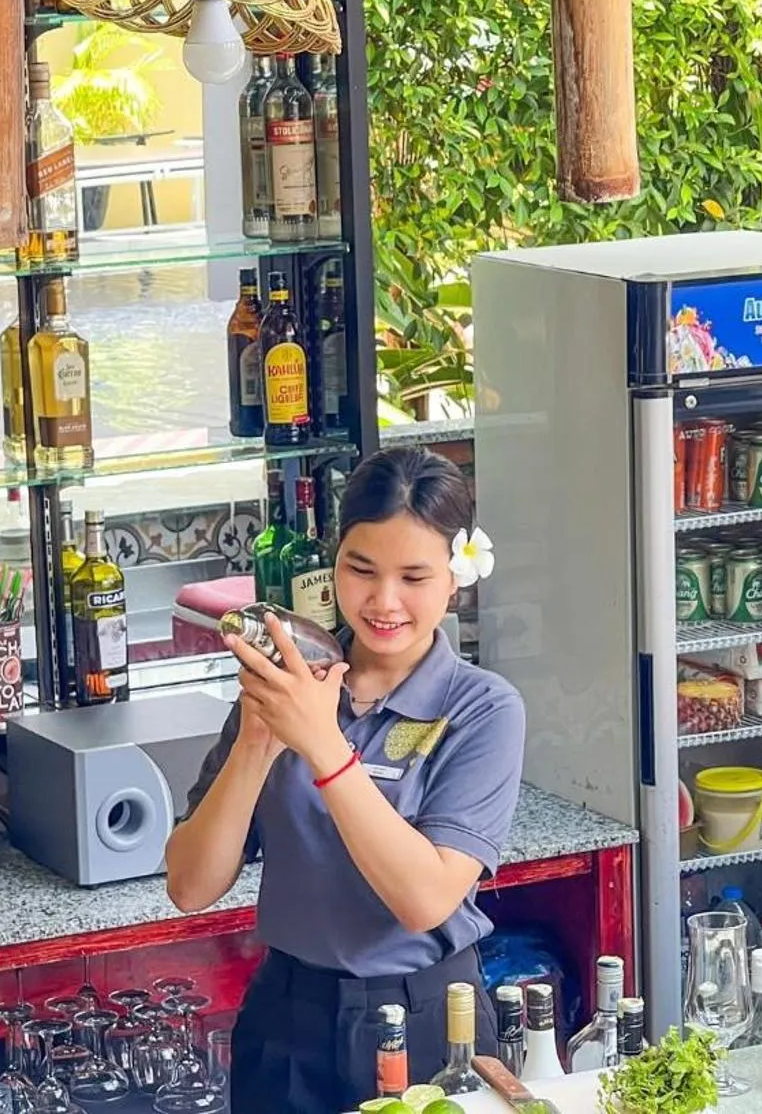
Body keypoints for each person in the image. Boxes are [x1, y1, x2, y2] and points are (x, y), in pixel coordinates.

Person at [166, 447, 525, 1111]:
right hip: (287, 1015)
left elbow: (423, 900)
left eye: (413, 577)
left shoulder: (483, 707)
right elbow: (190, 886)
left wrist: (322, 745)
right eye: (361, 571)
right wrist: (254, 741)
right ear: (334, 567)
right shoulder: (288, 686)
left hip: (425, 1019)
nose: (383, 602)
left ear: (456, 577)